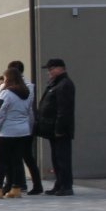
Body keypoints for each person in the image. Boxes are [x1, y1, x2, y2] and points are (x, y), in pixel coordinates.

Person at [0, 67, 33, 199]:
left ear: (9, 79)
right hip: (23, 130)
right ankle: (16, 188)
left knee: (1, 160)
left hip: (7, 131)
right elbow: (29, 111)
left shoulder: (6, 93)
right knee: (17, 159)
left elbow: (0, 112)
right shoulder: (27, 93)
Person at [37, 58, 77, 195]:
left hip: (61, 130)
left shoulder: (64, 84)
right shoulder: (55, 84)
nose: (49, 72)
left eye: (51, 69)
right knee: (56, 158)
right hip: (53, 129)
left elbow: (64, 110)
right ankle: (59, 184)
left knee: (63, 159)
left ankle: (66, 186)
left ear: (60, 68)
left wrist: (60, 129)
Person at [7, 60, 43, 194]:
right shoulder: (26, 86)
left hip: (22, 126)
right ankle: (23, 183)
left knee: (22, 156)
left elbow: (1, 104)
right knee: (24, 156)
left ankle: (20, 184)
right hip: (26, 125)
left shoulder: (24, 87)